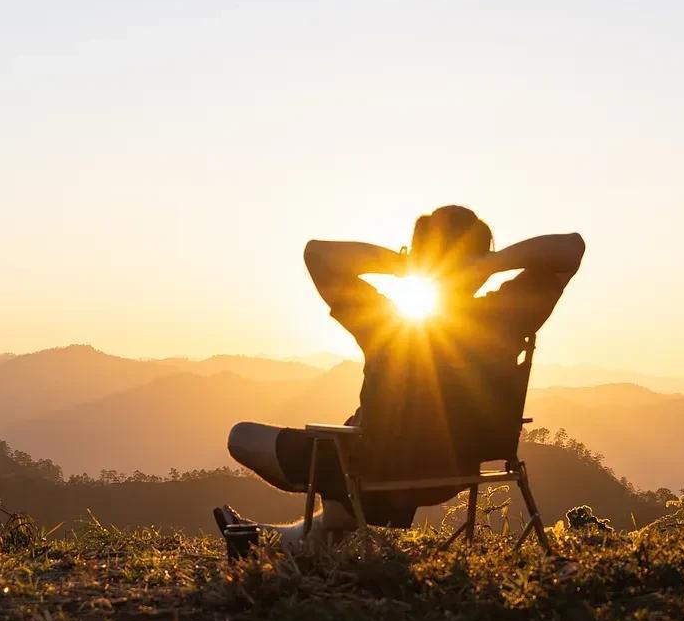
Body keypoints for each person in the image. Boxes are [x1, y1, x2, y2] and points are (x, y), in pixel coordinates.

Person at [215, 206, 585, 554]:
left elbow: (318, 255)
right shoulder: (507, 314)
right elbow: (571, 248)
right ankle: (264, 539)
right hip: (452, 472)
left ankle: (270, 538)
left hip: (372, 467)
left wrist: (406, 265)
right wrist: (490, 264)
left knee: (242, 436)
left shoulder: (387, 323)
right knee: (341, 508)